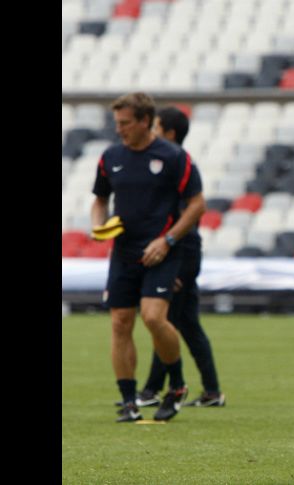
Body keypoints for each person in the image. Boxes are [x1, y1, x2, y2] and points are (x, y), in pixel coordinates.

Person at [91, 92, 205, 422]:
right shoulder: (110, 156)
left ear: (144, 121)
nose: (120, 130)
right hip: (123, 252)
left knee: (154, 318)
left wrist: (167, 240)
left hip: (162, 252)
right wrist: (98, 224)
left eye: (125, 123)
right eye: (117, 123)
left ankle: (178, 384)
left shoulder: (173, 157)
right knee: (120, 322)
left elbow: (197, 205)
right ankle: (129, 401)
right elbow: (100, 199)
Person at [130, 106, 225, 408]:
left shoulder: (174, 164)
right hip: (182, 252)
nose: (152, 133)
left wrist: (180, 269)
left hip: (181, 253)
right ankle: (210, 391)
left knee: (164, 322)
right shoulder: (172, 162)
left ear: (169, 133)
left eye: (156, 127)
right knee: (185, 324)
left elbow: (188, 219)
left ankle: (152, 390)